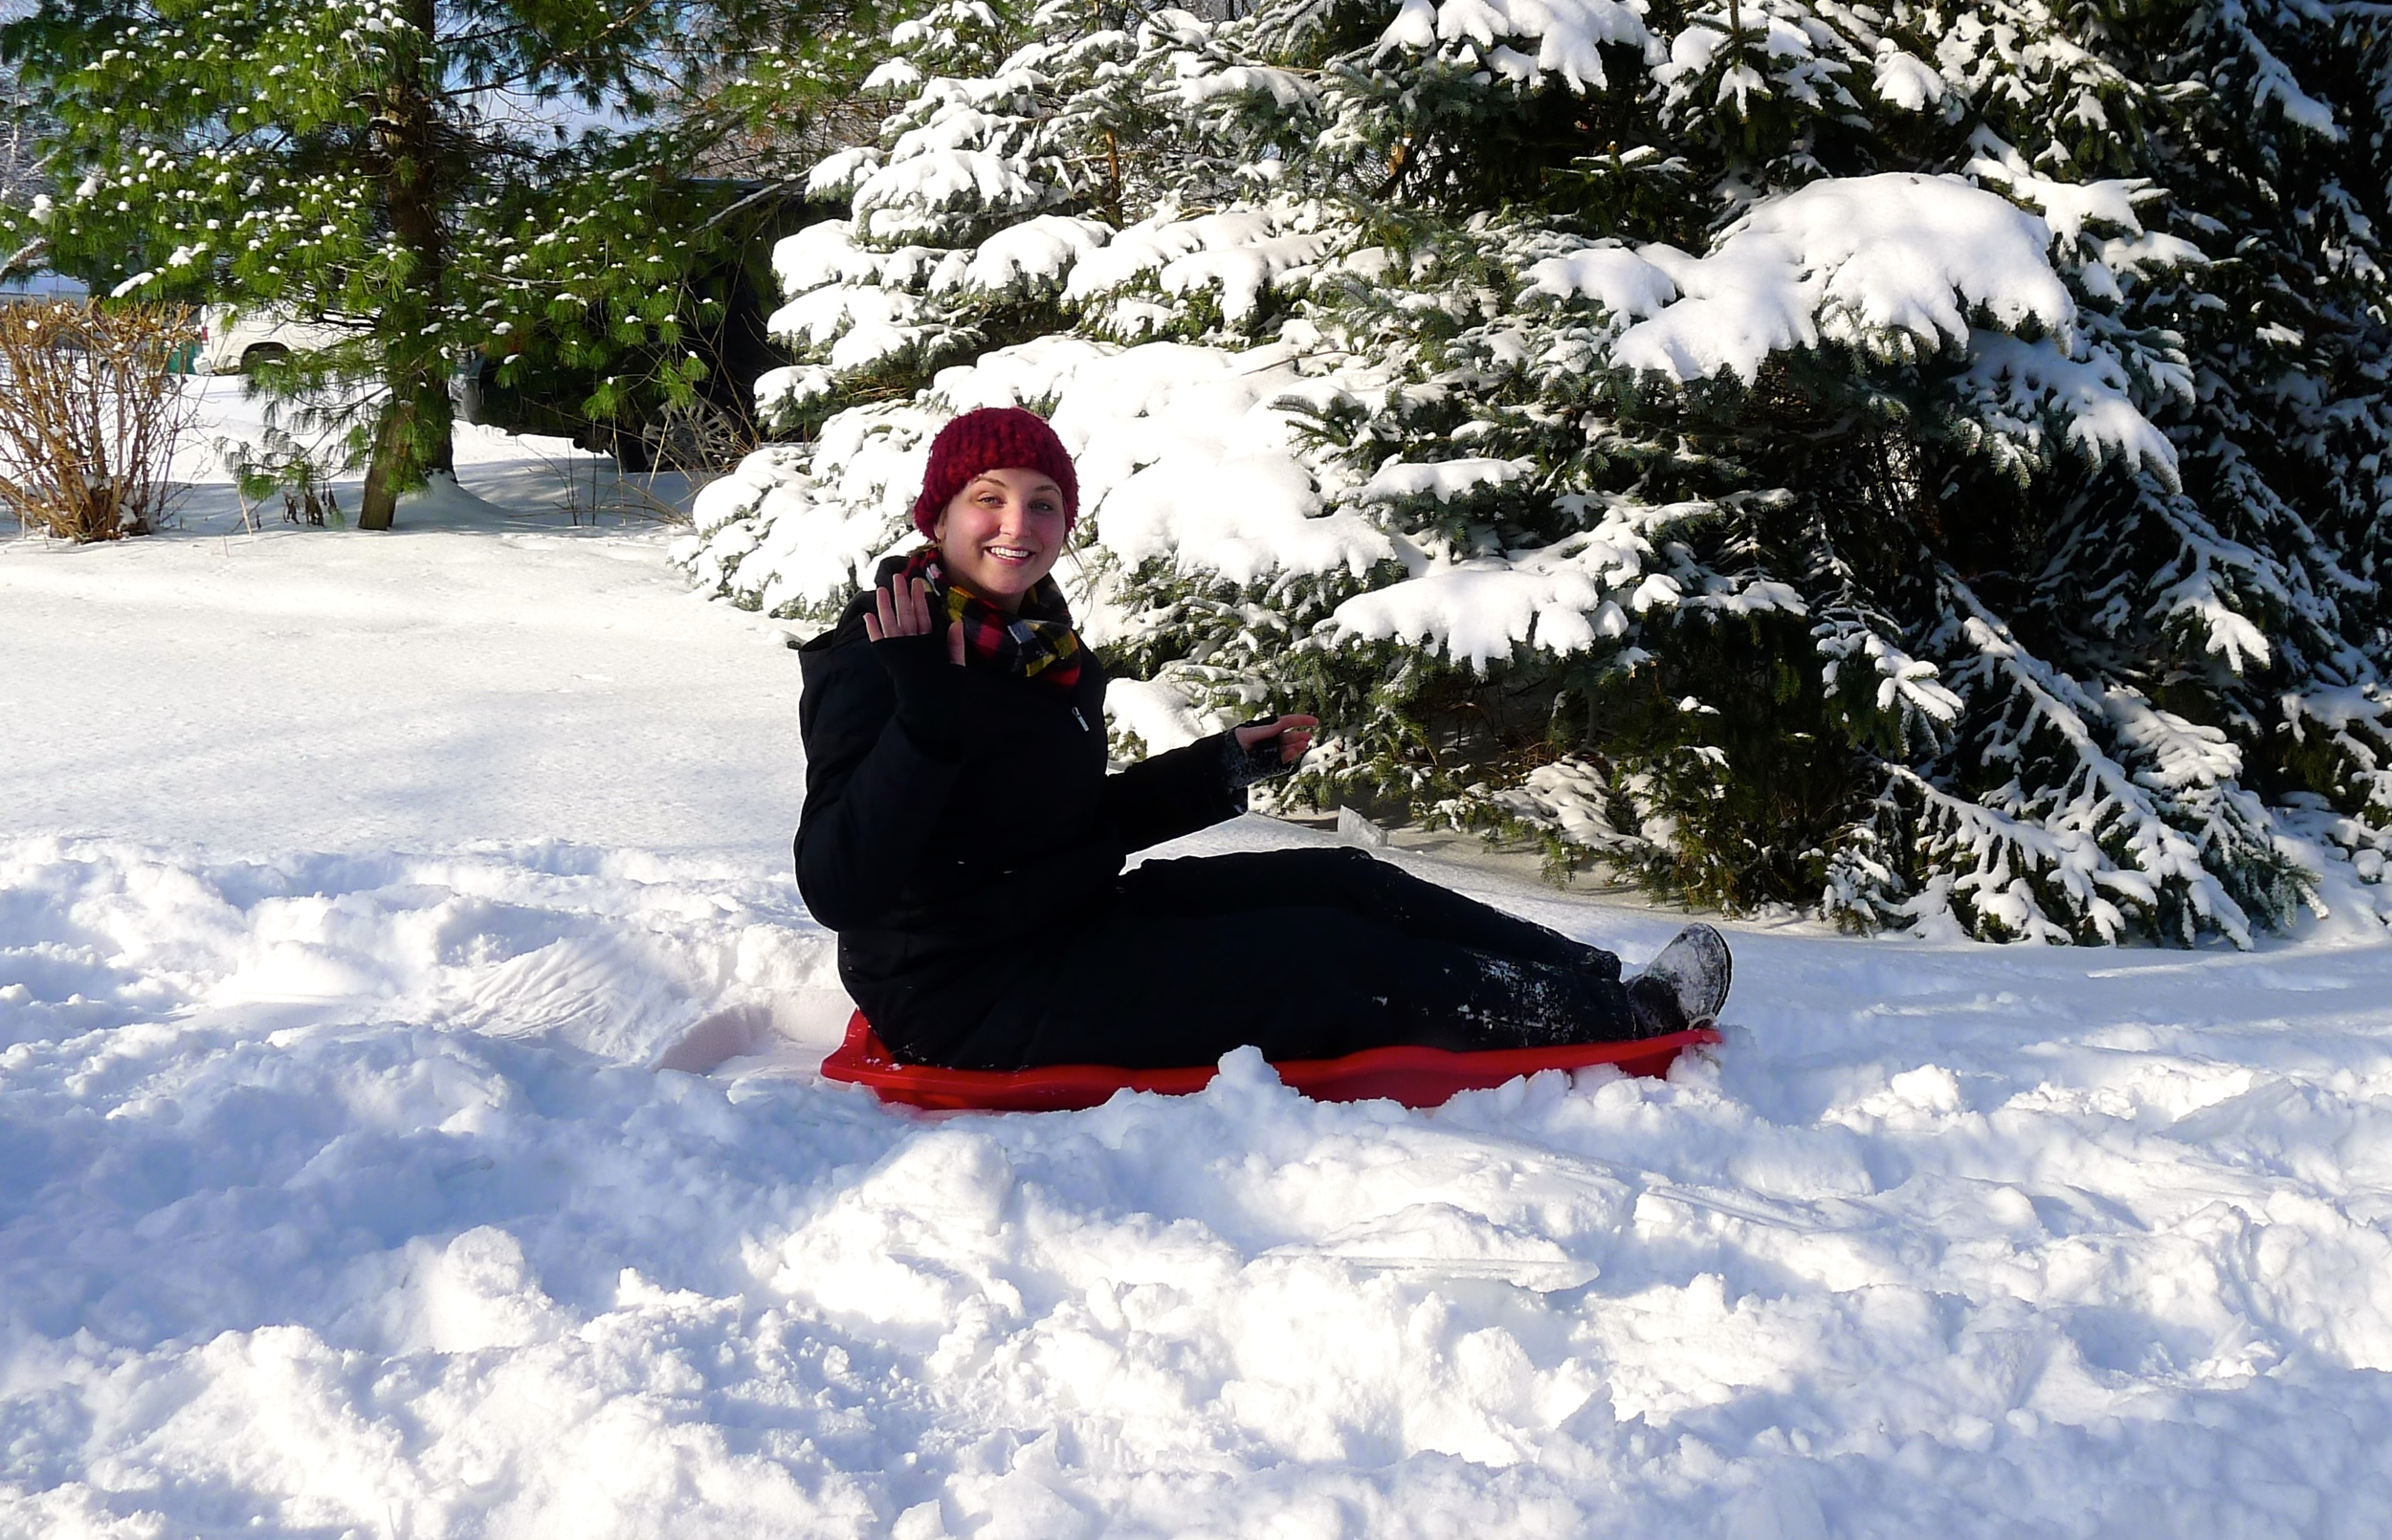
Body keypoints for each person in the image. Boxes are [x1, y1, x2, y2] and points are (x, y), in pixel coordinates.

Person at [795, 406, 1733, 1071]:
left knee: (1342, 881)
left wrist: (1222, 764)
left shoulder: (1037, 646)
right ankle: (1623, 1020)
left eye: (1042, 501)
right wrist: (922, 713)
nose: (1017, 524)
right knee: (1321, 961)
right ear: (942, 514)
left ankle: (1580, 972)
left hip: (1067, 919)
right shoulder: (883, 653)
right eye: (987, 498)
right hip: (964, 991)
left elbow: (1059, 825)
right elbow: (840, 886)